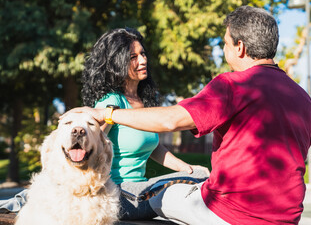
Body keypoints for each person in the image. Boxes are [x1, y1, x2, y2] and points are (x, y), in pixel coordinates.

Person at [64, 6, 311, 225]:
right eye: (134, 56)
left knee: (175, 191)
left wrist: (108, 114)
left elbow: (170, 121)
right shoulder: (303, 99)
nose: (142, 60)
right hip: (284, 217)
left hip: (230, 214)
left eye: (225, 43)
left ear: (239, 47)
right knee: (193, 180)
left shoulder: (233, 85)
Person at [0, 28, 209, 221]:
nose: (143, 60)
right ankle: (21, 198)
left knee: (199, 175)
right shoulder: (111, 103)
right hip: (119, 193)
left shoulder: (144, 102)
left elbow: (154, 146)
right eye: (133, 57)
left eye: (143, 54)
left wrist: (185, 168)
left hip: (140, 189)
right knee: (194, 185)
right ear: (117, 63)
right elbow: (88, 143)